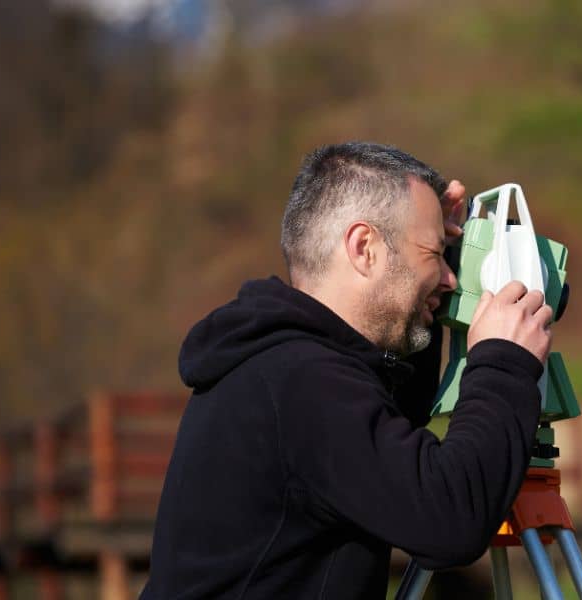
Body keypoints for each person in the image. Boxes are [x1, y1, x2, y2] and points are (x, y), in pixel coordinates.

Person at [140, 142, 553, 599]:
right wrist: (502, 361)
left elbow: (394, 443)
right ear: (364, 248)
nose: (449, 280)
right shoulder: (302, 380)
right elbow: (448, 517)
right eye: (435, 255)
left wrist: (450, 256)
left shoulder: (277, 366)